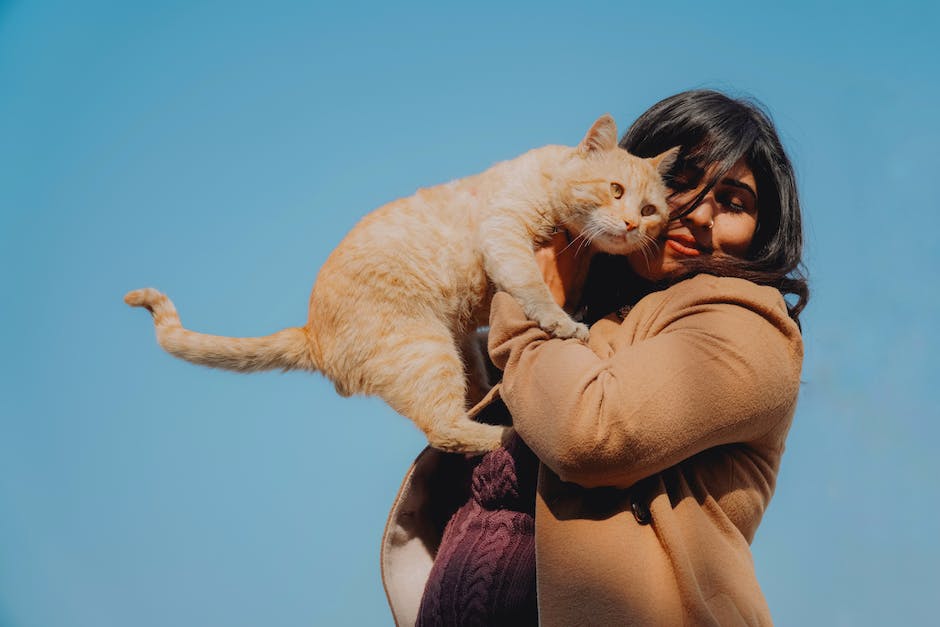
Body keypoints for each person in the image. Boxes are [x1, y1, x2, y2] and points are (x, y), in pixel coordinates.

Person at [381, 89, 807, 626]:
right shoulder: (595, 320)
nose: (701, 215)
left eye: (733, 201)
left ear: (760, 233)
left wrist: (528, 300)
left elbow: (591, 435)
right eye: (680, 183)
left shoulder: (747, 325)